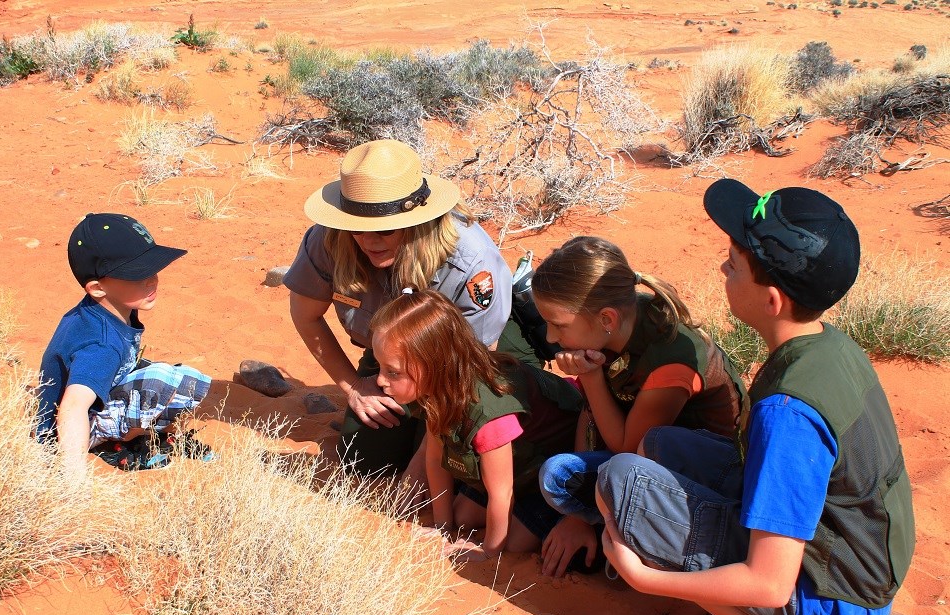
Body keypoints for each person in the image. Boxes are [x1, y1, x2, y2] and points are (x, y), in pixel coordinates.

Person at [595, 179, 915, 615]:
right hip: (862, 557)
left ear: (771, 300)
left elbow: (768, 583)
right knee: (655, 447)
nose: (723, 268)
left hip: (829, 598)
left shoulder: (790, 412)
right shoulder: (827, 347)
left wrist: (647, 579)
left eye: (734, 264)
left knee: (620, 481)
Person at [285, 138, 519, 479]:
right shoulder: (328, 239)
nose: (369, 241)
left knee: (460, 462)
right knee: (365, 462)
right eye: (358, 229)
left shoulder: (471, 262)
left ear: (418, 220)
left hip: (471, 362)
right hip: (392, 359)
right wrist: (354, 387)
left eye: (385, 229)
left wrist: (420, 464)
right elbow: (305, 315)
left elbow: (469, 371)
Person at [531, 235, 747, 577]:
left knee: (561, 477)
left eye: (558, 325)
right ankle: (612, 526)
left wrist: (590, 378)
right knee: (558, 476)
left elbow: (627, 447)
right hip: (646, 455)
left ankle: (636, 537)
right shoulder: (618, 324)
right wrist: (575, 517)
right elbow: (593, 416)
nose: (550, 338)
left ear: (606, 319)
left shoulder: (670, 357)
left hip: (705, 477)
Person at [370, 289, 583, 561]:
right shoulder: (433, 390)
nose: (380, 380)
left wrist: (488, 552)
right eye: (380, 367)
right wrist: (442, 526)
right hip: (517, 465)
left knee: (515, 542)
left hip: (551, 465)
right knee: (461, 516)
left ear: (433, 365)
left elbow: (502, 492)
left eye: (392, 371)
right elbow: (436, 459)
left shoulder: (488, 411)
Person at [37, 213, 212, 476]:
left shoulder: (106, 309)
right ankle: (120, 443)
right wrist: (72, 476)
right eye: (136, 275)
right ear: (97, 288)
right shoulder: (102, 344)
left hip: (82, 408)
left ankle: (140, 434)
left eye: (152, 269)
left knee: (165, 377)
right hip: (66, 430)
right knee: (165, 382)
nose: (151, 280)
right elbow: (73, 406)